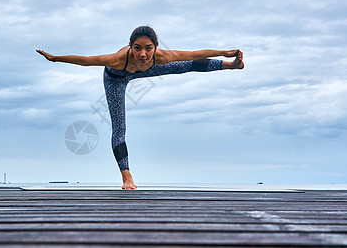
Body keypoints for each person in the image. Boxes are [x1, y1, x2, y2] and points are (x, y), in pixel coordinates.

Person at [37, 26, 244, 189]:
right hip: (116, 78)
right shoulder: (118, 59)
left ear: (155, 47)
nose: (143, 54)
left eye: (148, 48)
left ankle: (232, 66)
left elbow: (192, 54)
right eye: (137, 48)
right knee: (119, 127)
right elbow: (86, 61)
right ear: (130, 46)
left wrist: (224, 53)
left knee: (184, 65)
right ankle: (127, 176)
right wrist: (55, 58)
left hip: (144, 72)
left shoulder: (160, 56)